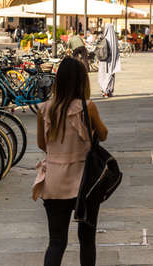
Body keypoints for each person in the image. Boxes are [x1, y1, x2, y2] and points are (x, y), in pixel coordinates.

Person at [33, 57, 108, 266]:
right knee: (87, 240)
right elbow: (103, 134)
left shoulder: (44, 109)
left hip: (54, 181)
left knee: (56, 242)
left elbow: (42, 144)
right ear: (82, 81)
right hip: (85, 182)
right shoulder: (87, 107)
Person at [98, 23, 121, 98]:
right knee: (110, 74)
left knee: (103, 74)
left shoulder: (103, 38)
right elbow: (116, 50)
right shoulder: (114, 38)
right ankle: (108, 91)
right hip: (111, 61)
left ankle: (105, 90)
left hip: (103, 60)